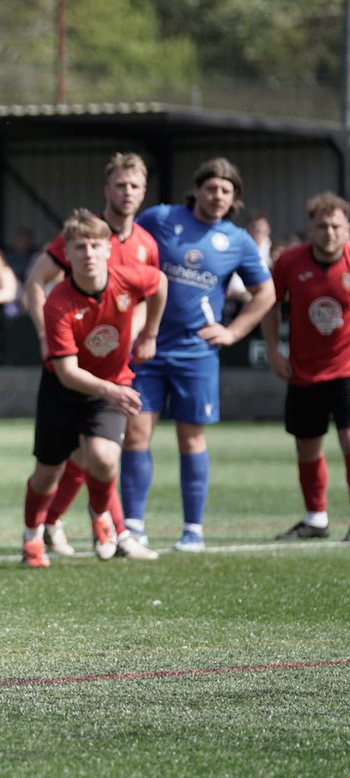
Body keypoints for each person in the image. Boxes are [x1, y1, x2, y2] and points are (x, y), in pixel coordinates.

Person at [122, 158, 275, 553]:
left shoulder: (237, 240)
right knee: (137, 434)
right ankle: (133, 526)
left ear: (234, 197)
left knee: (191, 439)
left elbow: (266, 293)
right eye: (211, 188)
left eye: (226, 191)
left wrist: (234, 331)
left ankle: (193, 530)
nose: (218, 196)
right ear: (197, 189)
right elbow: (126, 250)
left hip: (196, 353)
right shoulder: (161, 218)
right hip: (148, 348)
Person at [21, 152, 160, 558]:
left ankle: (109, 527)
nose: (127, 192)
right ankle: (50, 526)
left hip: (112, 368)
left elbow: (150, 291)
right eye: (120, 185)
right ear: (107, 189)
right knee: (63, 462)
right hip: (70, 367)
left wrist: (141, 335)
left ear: (144, 190)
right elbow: (35, 282)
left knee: (103, 453)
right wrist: (46, 338)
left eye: (134, 185)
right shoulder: (81, 237)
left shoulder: (145, 246)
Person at [261, 192, 350, 543]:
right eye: (322, 225)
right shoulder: (289, 262)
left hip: (346, 369)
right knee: (307, 447)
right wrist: (272, 350)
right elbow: (269, 305)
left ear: (346, 228)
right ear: (310, 228)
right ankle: (316, 519)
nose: (329, 231)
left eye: (336, 225)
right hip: (304, 370)